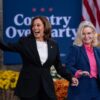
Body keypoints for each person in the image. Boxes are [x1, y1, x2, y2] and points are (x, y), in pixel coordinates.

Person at [0, 16, 78, 100]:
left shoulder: (53, 44)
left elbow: (59, 67)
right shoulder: (25, 42)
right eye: (33, 26)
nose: (35, 28)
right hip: (28, 88)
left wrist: (71, 77)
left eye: (38, 25)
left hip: (46, 88)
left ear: (45, 27)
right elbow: (6, 47)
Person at [66, 21, 100, 100]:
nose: (86, 36)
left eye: (89, 33)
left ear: (93, 34)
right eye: (83, 34)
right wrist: (79, 72)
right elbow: (68, 66)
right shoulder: (75, 49)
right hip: (80, 89)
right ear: (80, 35)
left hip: (96, 89)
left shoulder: (98, 51)